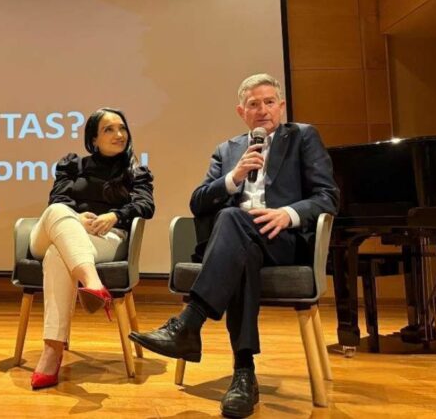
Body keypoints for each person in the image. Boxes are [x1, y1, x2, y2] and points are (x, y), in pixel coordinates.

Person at [129, 74, 339, 418]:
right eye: (254, 104)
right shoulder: (227, 150)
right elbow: (198, 202)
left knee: (231, 219)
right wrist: (233, 178)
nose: (263, 110)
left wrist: (288, 214)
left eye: (269, 102)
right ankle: (244, 375)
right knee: (239, 241)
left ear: (281, 106)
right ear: (242, 112)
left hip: (284, 241)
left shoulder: (302, 137)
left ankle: (189, 323)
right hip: (239, 245)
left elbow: (328, 196)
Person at [29, 108, 154, 390]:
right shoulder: (73, 166)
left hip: (105, 238)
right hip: (58, 231)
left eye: (122, 128)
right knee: (56, 211)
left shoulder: (136, 171)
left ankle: (52, 352)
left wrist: (115, 216)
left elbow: (146, 205)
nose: (119, 134)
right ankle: (93, 283)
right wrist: (76, 219)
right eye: (109, 129)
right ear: (93, 139)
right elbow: (57, 199)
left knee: (57, 255)